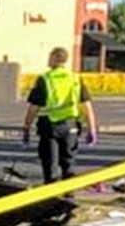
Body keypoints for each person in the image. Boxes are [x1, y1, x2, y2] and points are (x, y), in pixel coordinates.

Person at [21, 47, 98, 184]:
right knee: (69, 163)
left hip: (50, 126)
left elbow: (34, 107)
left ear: (54, 58)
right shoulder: (75, 79)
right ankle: (69, 195)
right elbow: (87, 106)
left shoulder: (45, 79)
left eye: (49, 57)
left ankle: (51, 197)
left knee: (50, 163)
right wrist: (91, 129)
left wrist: (26, 127)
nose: (48, 60)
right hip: (71, 125)